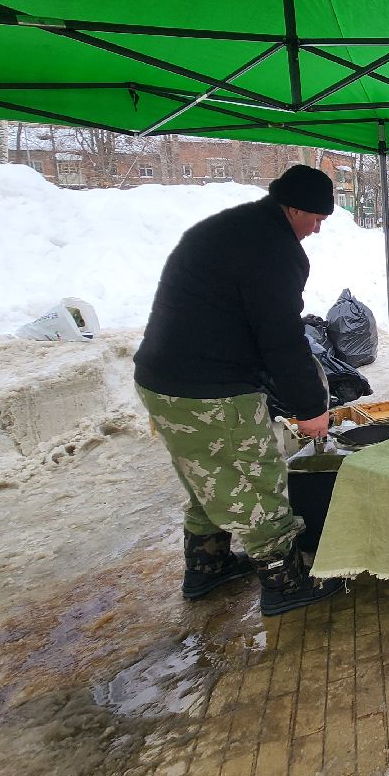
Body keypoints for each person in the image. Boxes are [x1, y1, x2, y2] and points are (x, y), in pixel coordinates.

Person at [134, 164, 339, 617]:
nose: (317, 229)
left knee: (206, 475)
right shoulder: (274, 250)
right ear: (294, 208)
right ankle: (285, 584)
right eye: (316, 219)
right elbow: (281, 339)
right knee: (255, 477)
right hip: (211, 389)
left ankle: (207, 566)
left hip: (161, 382)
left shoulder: (228, 227)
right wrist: (310, 407)